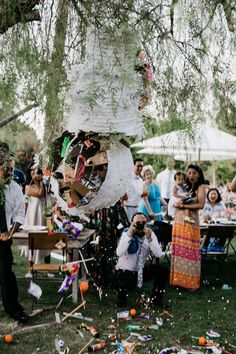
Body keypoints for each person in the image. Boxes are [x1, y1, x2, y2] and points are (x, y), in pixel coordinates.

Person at [0, 147, 29, 323]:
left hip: (4, 238)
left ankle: (14, 309)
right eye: (6, 169)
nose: (10, 172)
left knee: (6, 274)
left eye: (11, 168)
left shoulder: (15, 187)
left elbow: (20, 212)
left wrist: (11, 231)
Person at [116, 212, 168, 307]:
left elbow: (158, 254)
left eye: (143, 222)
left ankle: (156, 299)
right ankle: (121, 301)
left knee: (162, 270)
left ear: (146, 223)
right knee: (125, 276)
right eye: (137, 223)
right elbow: (119, 253)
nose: (140, 225)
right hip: (125, 272)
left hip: (140, 271)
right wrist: (129, 236)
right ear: (132, 223)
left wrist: (150, 239)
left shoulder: (150, 234)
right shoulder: (126, 233)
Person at [170, 163, 206, 291]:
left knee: (190, 250)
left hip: (190, 221)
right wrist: (178, 204)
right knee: (180, 249)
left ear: (199, 175)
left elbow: (201, 205)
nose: (191, 175)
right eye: (189, 173)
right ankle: (178, 280)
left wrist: (184, 206)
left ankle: (191, 283)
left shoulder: (200, 187)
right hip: (180, 221)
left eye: (194, 173)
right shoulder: (187, 187)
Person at [22, 165, 51, 278]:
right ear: (31, 173)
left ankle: (48, 270)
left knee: (47, 241)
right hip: (33, 219)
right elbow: (39, 194)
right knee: (32, 243)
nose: (38, 174)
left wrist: (44, 179)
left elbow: (45, 194)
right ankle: (30, 269)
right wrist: (39, 180)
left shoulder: (46, 186)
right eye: (36, 172)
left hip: (43, 218)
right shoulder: (28, 188)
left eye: (40, 172)